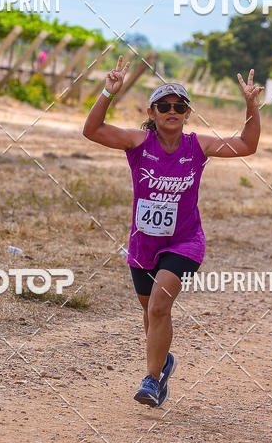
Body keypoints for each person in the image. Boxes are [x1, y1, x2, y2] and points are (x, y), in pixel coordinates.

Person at [83, 57, 262, 406]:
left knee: (159, 306)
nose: (172, 111)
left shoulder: (198, 145)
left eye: (179, 106)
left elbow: (246, 145)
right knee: (151, 313)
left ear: (187, 113)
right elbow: (92, 130)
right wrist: (108, 92)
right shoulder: (138, 142)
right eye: (163, 106)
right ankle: (163, 364)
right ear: (151, 113)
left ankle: (151, 380)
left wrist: (251, 106)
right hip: (143, 244)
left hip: (185, 242)